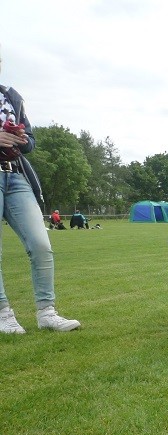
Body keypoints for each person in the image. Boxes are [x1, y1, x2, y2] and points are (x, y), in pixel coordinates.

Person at [0, 50, 80, 333]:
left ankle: (47, 312)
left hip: (15, 174)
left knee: (41, 244)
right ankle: (3, 314)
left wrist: (22, 138)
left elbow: (31, 142)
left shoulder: (11, 96)